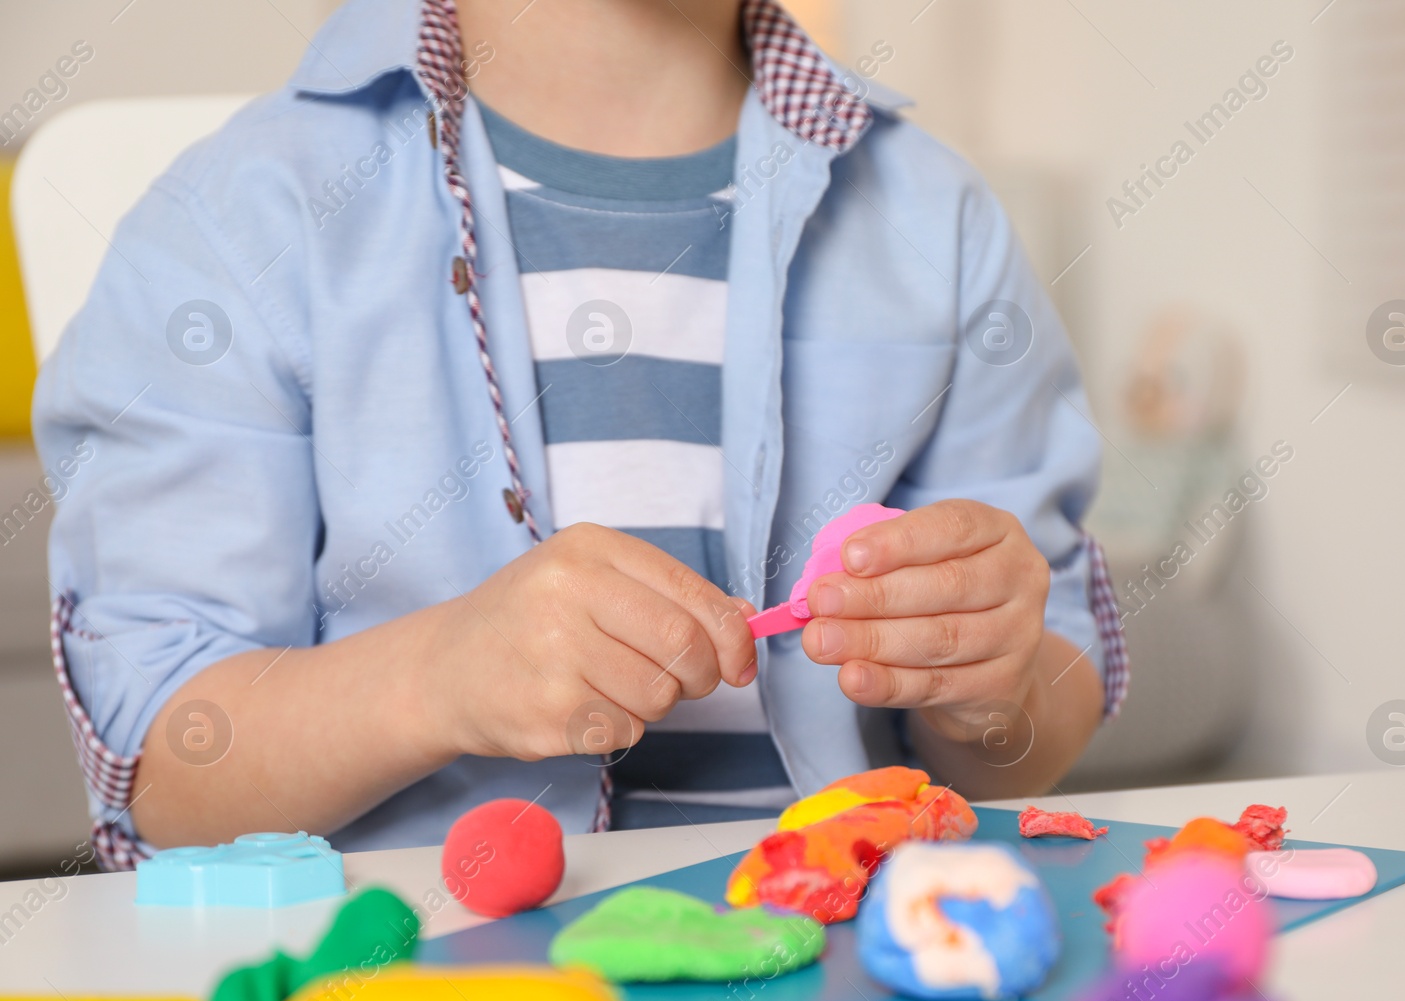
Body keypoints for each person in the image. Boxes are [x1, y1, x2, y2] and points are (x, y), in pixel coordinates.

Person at [32, 0, 1126, 867]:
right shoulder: (240, 220)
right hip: (430, 979)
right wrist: (436, 675)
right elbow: (166, 774)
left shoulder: (938, 218)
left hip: (855, 948)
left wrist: (988, 677)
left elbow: (1032, 736)